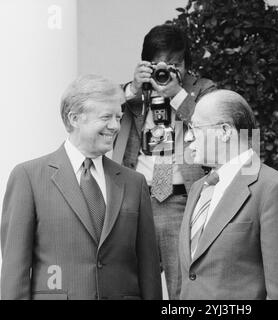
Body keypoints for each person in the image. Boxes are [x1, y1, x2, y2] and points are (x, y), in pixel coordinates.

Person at [1, 74, 162, 300]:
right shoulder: (28, 177)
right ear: (74, 118)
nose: (115, 126)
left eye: (118, 117)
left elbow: (149, 269)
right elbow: (14, 269)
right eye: (107, 117)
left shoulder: (134, 183)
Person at [112, 24, 216, 299]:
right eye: (162, 64)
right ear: (147, 64)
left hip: (180, 201)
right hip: (137, 199)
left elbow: (214, 127)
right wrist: (133, 87)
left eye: (176, 64)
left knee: (182, 285)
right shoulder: (137, 91)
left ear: (187, 63)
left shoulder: (202, 90)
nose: (168, 71)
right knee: (133, 284)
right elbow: (105, 108)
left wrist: (176, 95)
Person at [179, 89, 278, 299]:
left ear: (224, 131)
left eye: (195, 128)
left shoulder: (273, 189)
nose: (187, 136)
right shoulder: (198, 189)